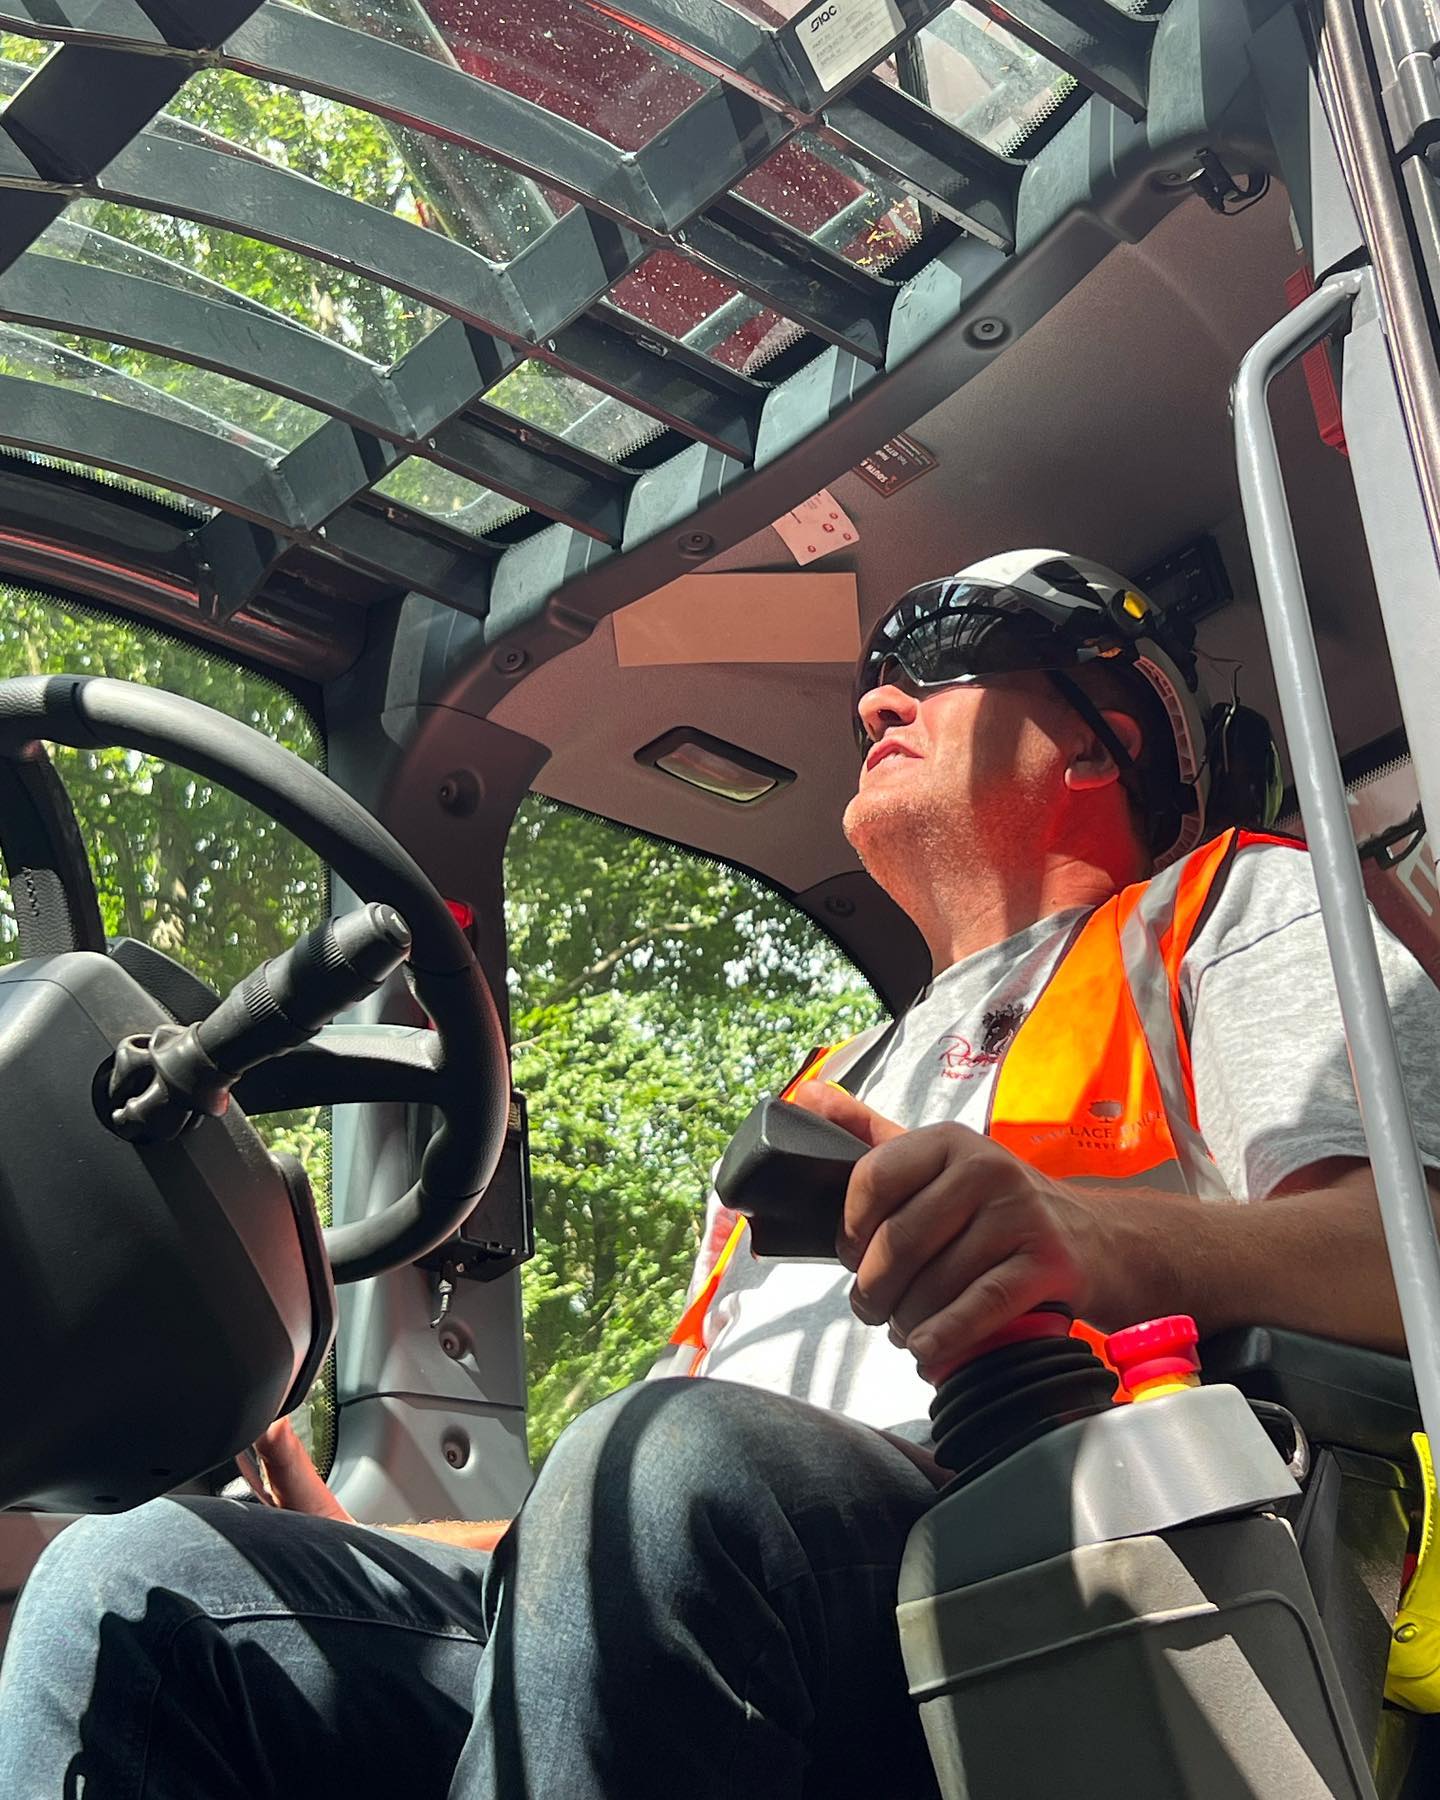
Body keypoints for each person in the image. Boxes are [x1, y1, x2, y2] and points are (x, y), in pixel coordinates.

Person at [3, 549, 1439, 1800]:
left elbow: (1414, 1255)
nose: (875, 699)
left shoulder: (1233, 912)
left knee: (662, 1462)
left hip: (1056, 1583)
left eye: (941, 658)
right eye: (874, 674)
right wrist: (361, 1537)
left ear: (1102, 738)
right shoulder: (824, 1094)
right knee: (142, 1578)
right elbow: (598, 1544)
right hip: (719, 1558)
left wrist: (1100, 1237)